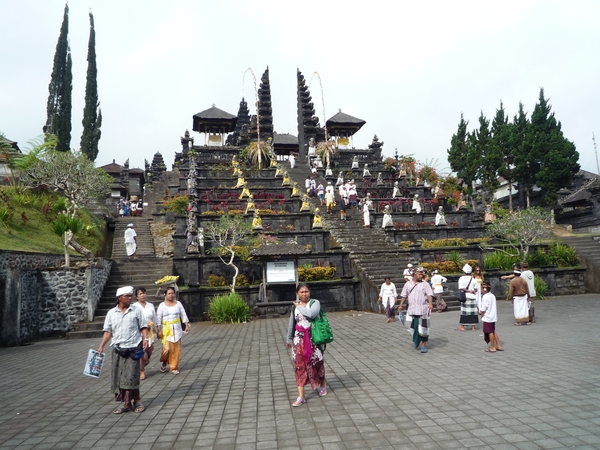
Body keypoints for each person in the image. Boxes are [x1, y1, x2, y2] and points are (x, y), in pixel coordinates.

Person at [97, 286, 148, 414]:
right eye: (127, 296)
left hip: (133, 348)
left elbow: (143, 326)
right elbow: (108, 331)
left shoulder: (136, 310)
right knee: (119, 378)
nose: (130, 298)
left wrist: (145, 338)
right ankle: (126, 403)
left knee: (131, 377)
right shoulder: (111, 313)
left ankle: (136, 401)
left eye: (131, 296)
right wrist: (101, 345)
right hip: (118, 349)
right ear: (119, 298)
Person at [286, 283, 327, 406]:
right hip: (299, 340)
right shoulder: (294, 307)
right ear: (298, 293)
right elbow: (292, 323)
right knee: (299, 367)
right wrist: (289, 338)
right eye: (301, 292)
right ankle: (301, 397)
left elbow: (311, 314)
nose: (304, 294)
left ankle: (322, 385)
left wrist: (299, 306)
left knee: (317, 363)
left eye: (306, 291)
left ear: (310, 292)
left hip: (313, 339)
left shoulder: (315, 303)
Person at [398, 267, 434, 353]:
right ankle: (416, 340)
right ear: (414, 275)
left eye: (422, 274)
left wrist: (430, 304)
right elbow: (404, 295)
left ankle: (423, 345)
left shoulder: (425, 284)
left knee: (424, 328)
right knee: (412, 327)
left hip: (423, 309)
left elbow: (429, 294)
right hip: (412, 310)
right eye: (419, 274)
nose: (421, 276)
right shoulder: (408, 284)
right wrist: (400, 305)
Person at [156, 287, 190, 374]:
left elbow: (183, 314)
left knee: (175, 349)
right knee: (166, 349)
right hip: (166, 329)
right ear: (165, 295)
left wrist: (186, 325)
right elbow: (158, 318)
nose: (171, 295)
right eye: (169, 293)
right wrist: (159, 330)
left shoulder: (178, 304)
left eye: (172, 293)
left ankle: (174, 367)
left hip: (177, 328)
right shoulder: (162, 305)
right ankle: (164, 362)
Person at [134, 287, 158, 380]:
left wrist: (158, 330)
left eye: (144, 293)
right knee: (142, 354)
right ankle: (141, 370)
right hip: (139, 333)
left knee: (148, 354)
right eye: (140, 294)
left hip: (150, 333)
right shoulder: (134, 307)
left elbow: (154, 319)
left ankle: (140, 366)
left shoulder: (150, 306)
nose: (143, 295)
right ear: (136, 297)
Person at [479, 281, 503, 352]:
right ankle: (498, 345)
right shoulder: (492, 295)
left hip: (488, 317)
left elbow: (483, 309)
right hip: (493, 316)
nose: (481, 290)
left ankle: (493, 347)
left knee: (490, 332)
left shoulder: (485, 297)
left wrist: (481, 314)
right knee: (493, 331)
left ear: (484, 289)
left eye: (481, 288)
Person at [456, 264, 478, 331]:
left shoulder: (461, 278)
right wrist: (472, 291)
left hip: (465, 296)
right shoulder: (474, 279)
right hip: (473, 297)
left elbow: (461, 288)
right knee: (473, 312)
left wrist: (468, 291)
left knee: (465, 312)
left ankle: (463, 326)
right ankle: (473, 327)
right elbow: (476, 289)